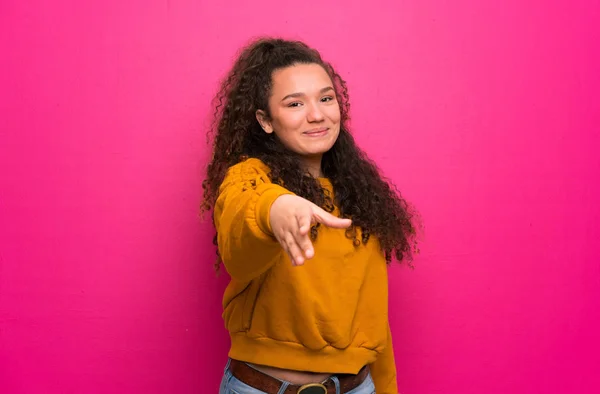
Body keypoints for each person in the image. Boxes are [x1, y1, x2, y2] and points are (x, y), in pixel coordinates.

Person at [201, 37, 416, 394]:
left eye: (326, 98)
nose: (316, 114)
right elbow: (242, 223)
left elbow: (373, 322)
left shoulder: (360, 195)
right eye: (294, 103)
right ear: (265, 120)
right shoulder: (251, 179)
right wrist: (276, 209)